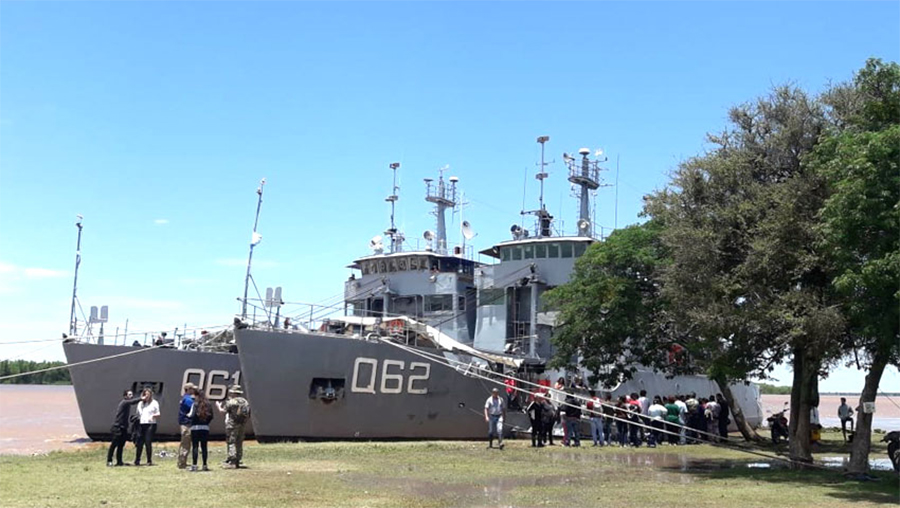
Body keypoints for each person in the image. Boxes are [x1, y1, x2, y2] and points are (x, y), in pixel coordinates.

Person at [217, 385, 250, 467]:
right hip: (242, 424)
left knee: (231, 441)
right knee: (239, 441)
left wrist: (218, 406)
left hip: (232, 424)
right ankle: (238, 459)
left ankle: (232, 460)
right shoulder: (245, 402)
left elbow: (223, 412)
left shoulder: (231, 402)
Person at [107, 389, 140, 467]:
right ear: (125, 396)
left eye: (132, 394)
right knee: (114, 445)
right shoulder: (124, 402)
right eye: (129, 395)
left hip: (124, 428)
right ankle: (109, 461)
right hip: (117, 427)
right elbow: (132, 402)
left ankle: (119, 461)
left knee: (121, 445)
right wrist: (142, 398)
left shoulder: (127, 404)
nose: (131, 396)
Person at [187, 388, 214, 471]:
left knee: (195, 446)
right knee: (204, 447)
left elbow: (191, 415)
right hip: (205, 428)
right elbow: (211, 416)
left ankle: (194, 465)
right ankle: (205, 465)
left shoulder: (195, 404)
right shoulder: (208, 404)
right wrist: (206, 423)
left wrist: (187, 416)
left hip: (195, 427)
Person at [134, 388, 160, 466]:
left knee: (147, 442)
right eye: (145, 394)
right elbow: (138, 413)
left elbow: (158, 413)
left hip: (151, 424)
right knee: (139, 442)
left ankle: (149, 460)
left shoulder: (154, 403)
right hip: (142, 424)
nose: (146, 396)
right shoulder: (140, 404)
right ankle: (137, 460)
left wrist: (153, 416)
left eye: (148, 394)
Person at [177, 383, 197, 469]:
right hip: (187, 424)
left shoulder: (185, 398)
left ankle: (182, 461)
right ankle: (182, 463)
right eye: (192, 389)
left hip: (185, 423)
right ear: (188, 389)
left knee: (185, 443)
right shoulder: (188, 400)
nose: (193, 391)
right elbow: (194, 408)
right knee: (186, 444)